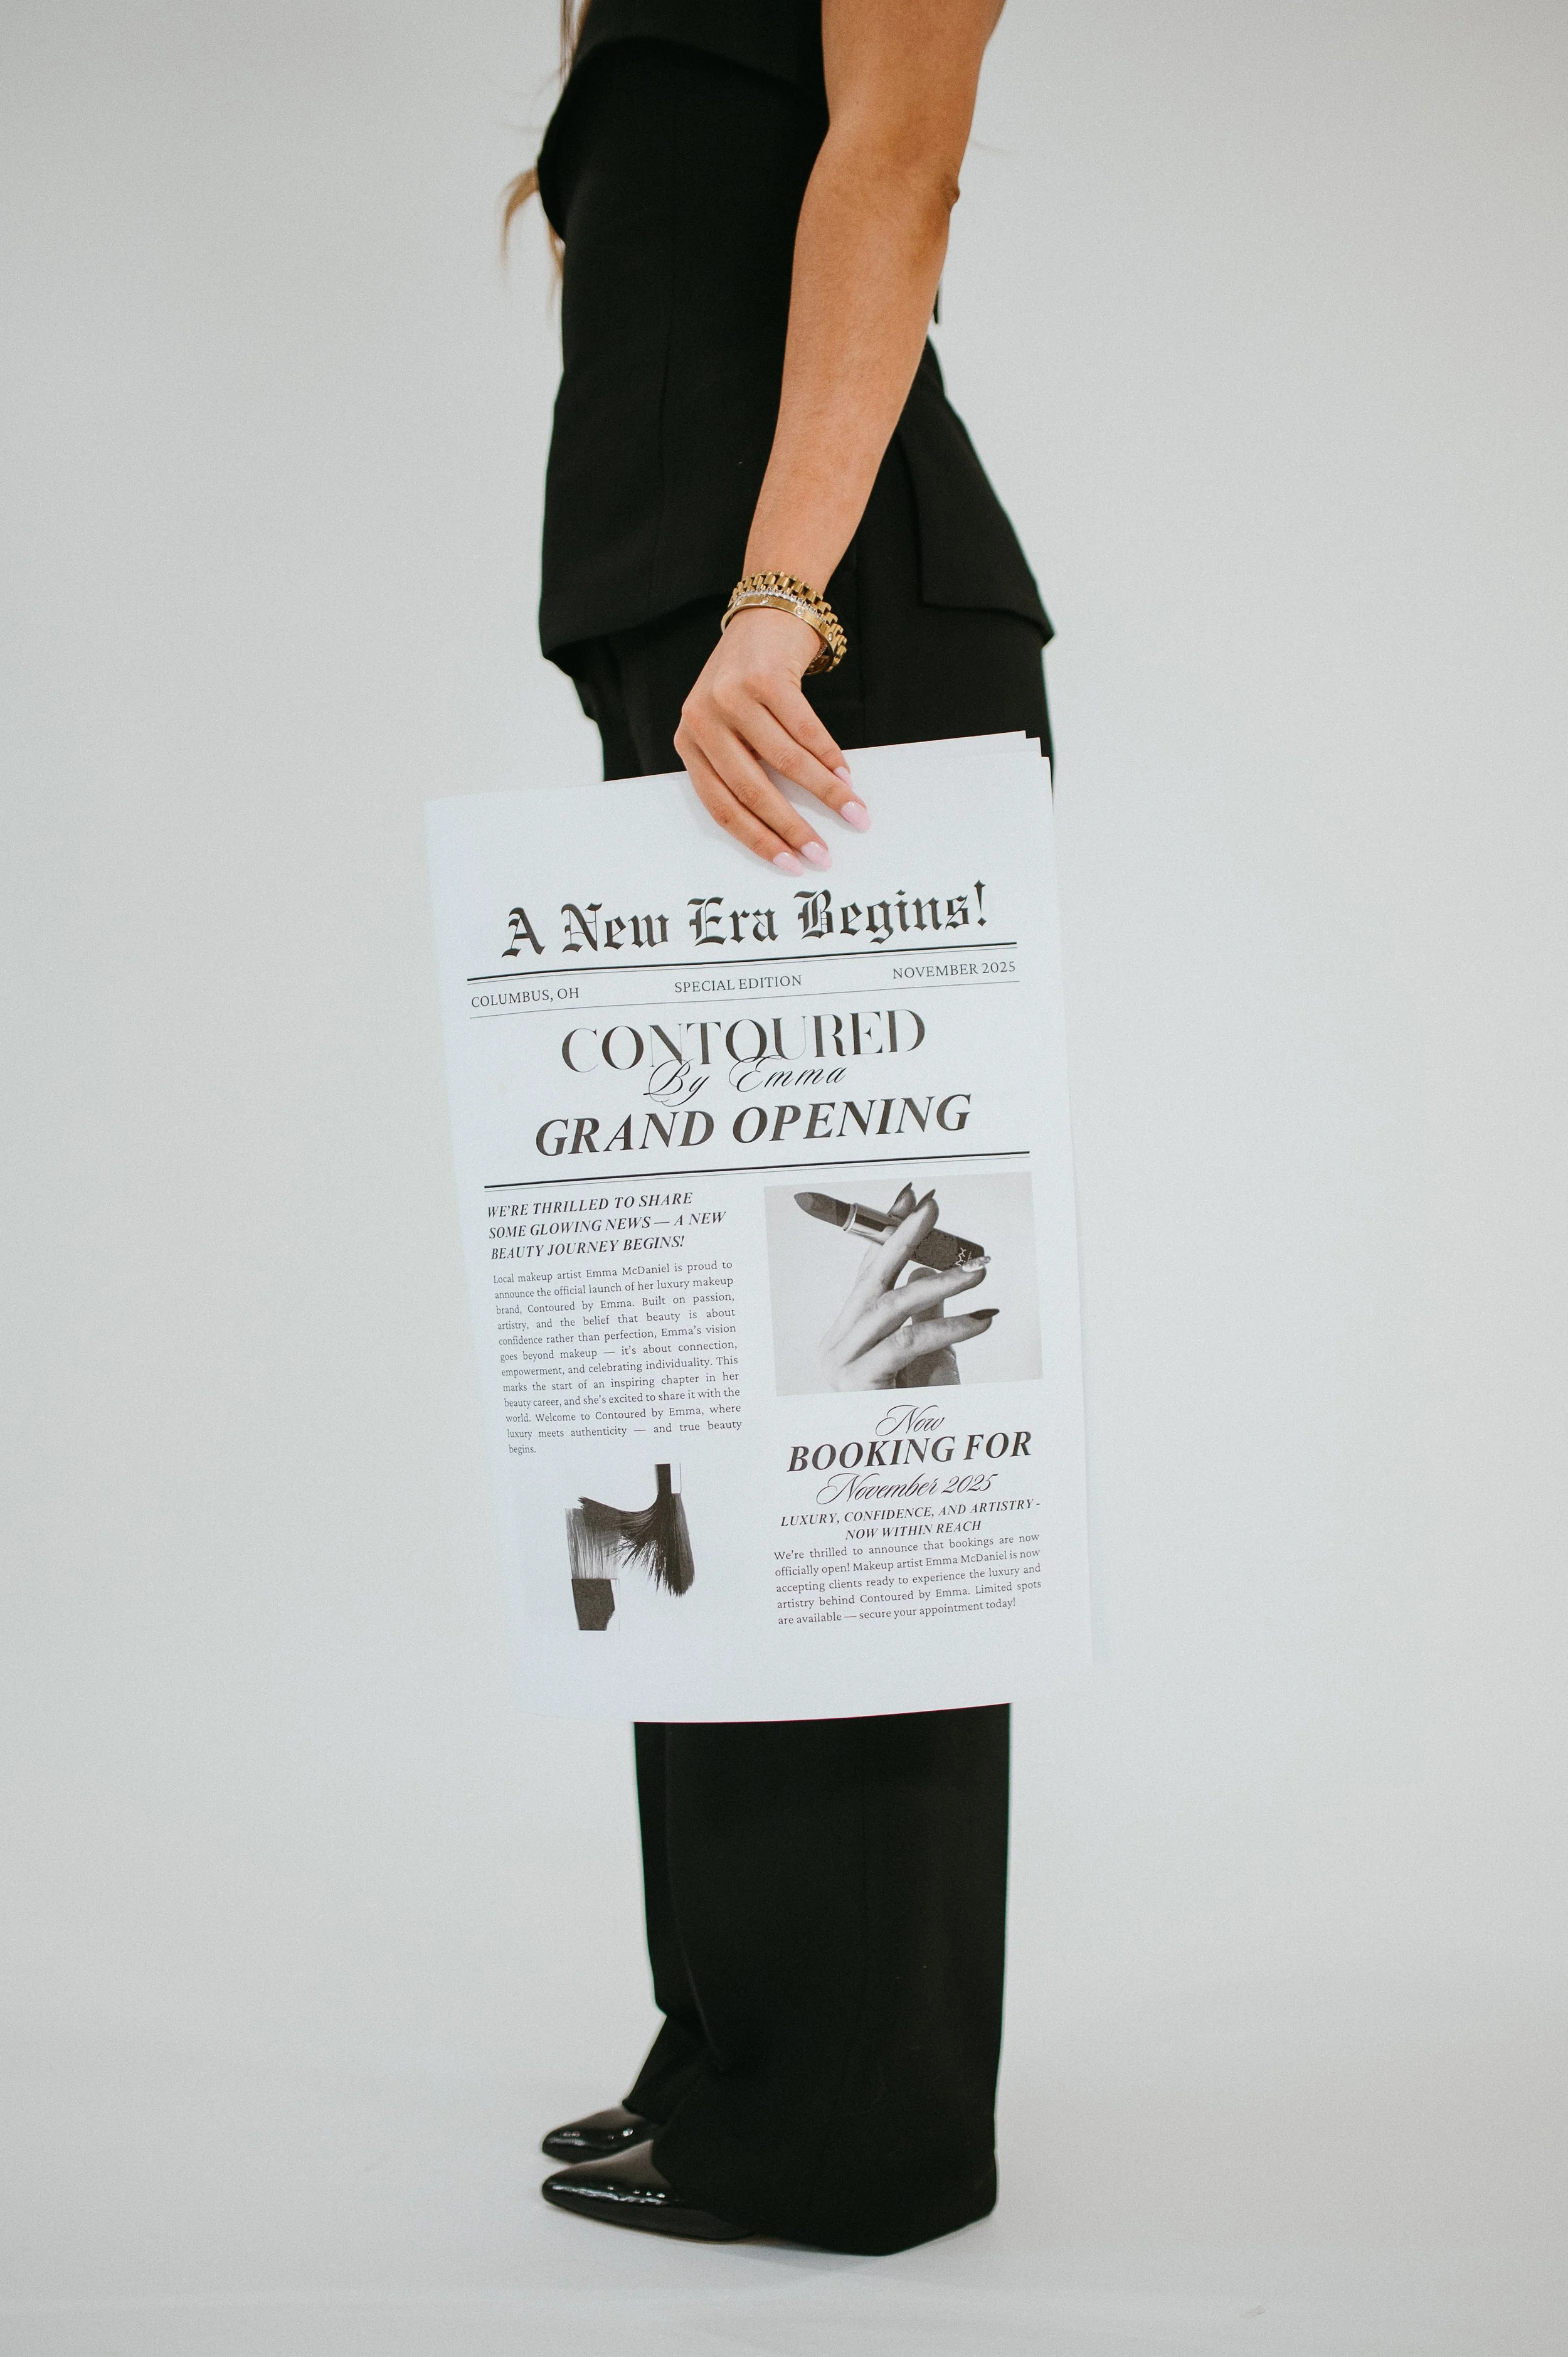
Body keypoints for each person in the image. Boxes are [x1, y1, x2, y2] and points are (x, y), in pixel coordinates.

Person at [507, 0, 1051, 2255]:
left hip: (819, 658)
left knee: (862, 1403)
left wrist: (773, 600)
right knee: (694, 1406)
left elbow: (893, 165)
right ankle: (745, 2036)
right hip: (712, 653)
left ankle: (864, 2113)